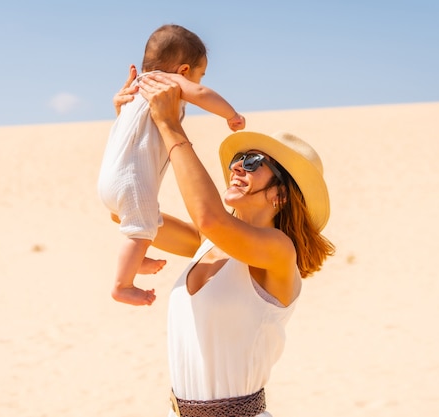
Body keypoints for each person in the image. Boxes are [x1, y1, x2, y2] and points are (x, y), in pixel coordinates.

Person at [112, 69, 335, 416]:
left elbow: (210, 217)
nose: (237, 168)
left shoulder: (278, 252)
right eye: (237, 160)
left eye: (253, 162)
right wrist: (129, 125)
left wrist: (170, 125)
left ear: (281, 194)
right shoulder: (205, 242)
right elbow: (124, 210)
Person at [97, 24, 246, 306]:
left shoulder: (136, 89)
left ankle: (137, 258)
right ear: (184, 71)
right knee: (141, 228)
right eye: (199, 74)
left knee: (145, 222)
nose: (197, 82)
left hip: (108, 178)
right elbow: (201, 93)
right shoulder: (167, 82)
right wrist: (231, 114)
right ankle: (123, 285)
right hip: (130, 180)